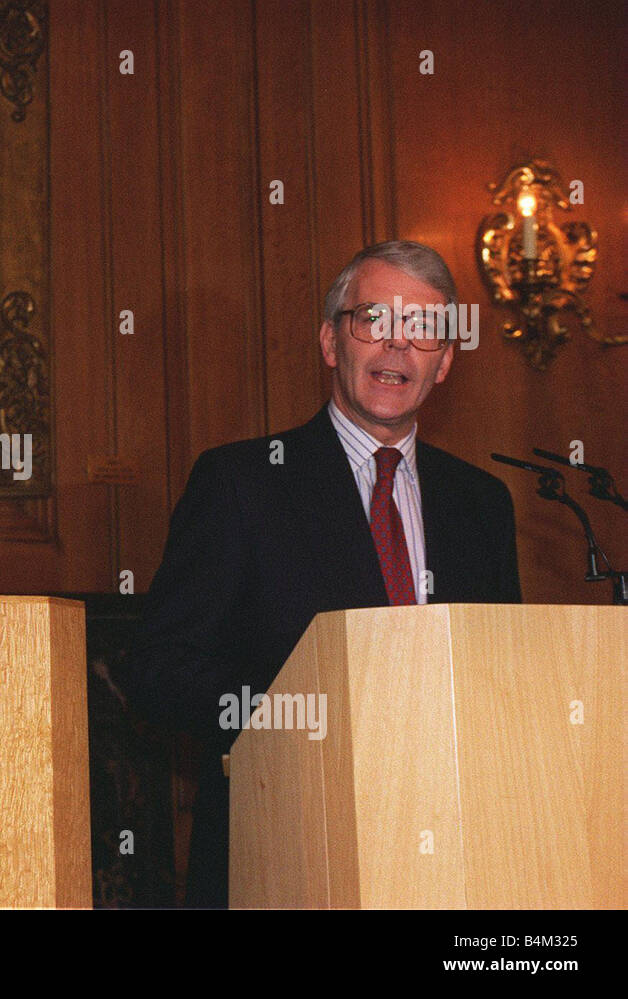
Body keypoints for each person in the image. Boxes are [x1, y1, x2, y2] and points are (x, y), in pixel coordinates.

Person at [121, 240, 521, 907]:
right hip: (289, 852)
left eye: (422, 330)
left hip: (454, 859)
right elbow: (158, 669)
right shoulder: (241, 483)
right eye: (373, 322)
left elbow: (501, 683)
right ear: (333, 342)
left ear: (446, 361)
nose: (398, 348)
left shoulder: (482, 503)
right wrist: (303, 713)